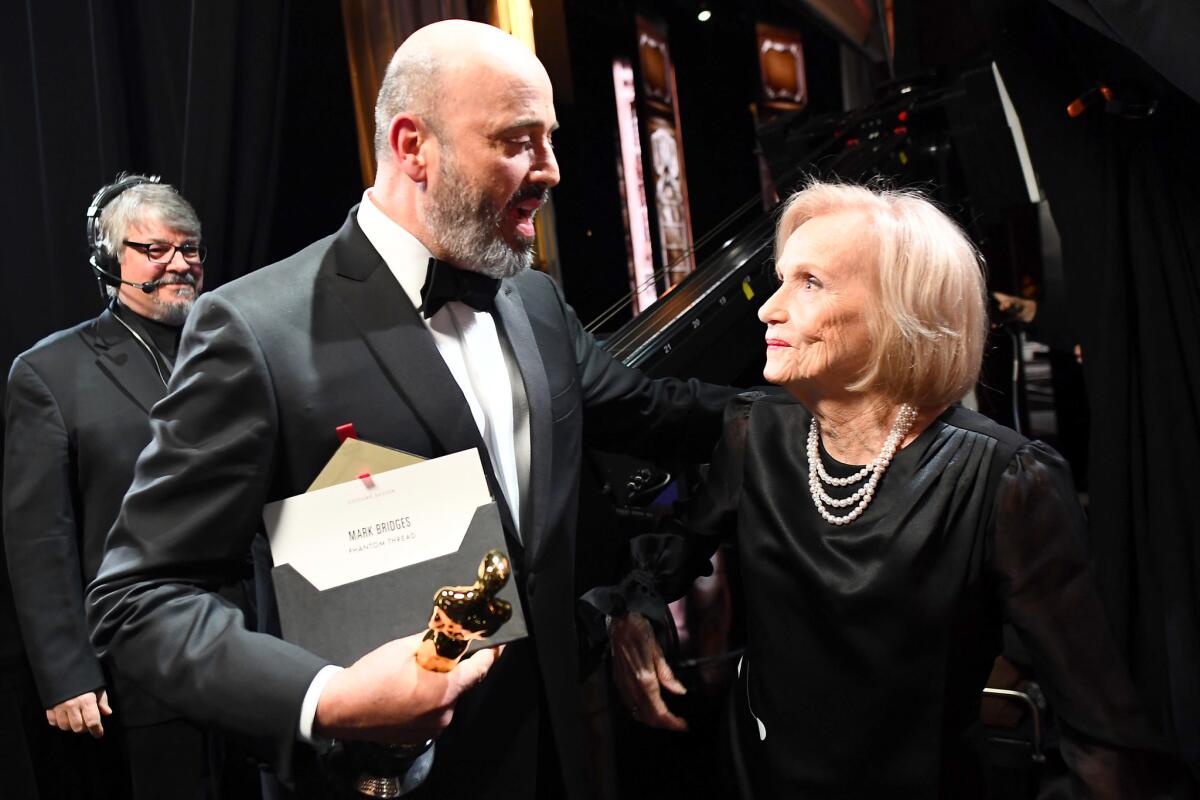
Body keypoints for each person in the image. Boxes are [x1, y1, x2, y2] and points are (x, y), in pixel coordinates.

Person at [86, 20, 729, 800]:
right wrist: (325, 698)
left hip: (564, 752)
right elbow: (139, 597)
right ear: (413, 145)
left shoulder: (533, 299)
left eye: (550, 140)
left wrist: (853, 409)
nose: (552, 170)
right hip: (382, 780)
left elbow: (658, 410)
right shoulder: (256, 329)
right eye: (518, 141)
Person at [594, 181, 1191, 798]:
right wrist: (632, 611)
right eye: (781, 279)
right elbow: (667, 555)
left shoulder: (1003, 480)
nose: (768, 308)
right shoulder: (759, 434)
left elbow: (1104, 733)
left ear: (897, 313)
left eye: (809, 283)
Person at [2, 175, 224, 797]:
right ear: (107, 260)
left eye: (190, 249)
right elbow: (38, 537)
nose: (180, 263)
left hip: (259, 641)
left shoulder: (238, 345)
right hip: (138, 663)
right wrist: (67, 673)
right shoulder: (50, 371)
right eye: (155, 250)